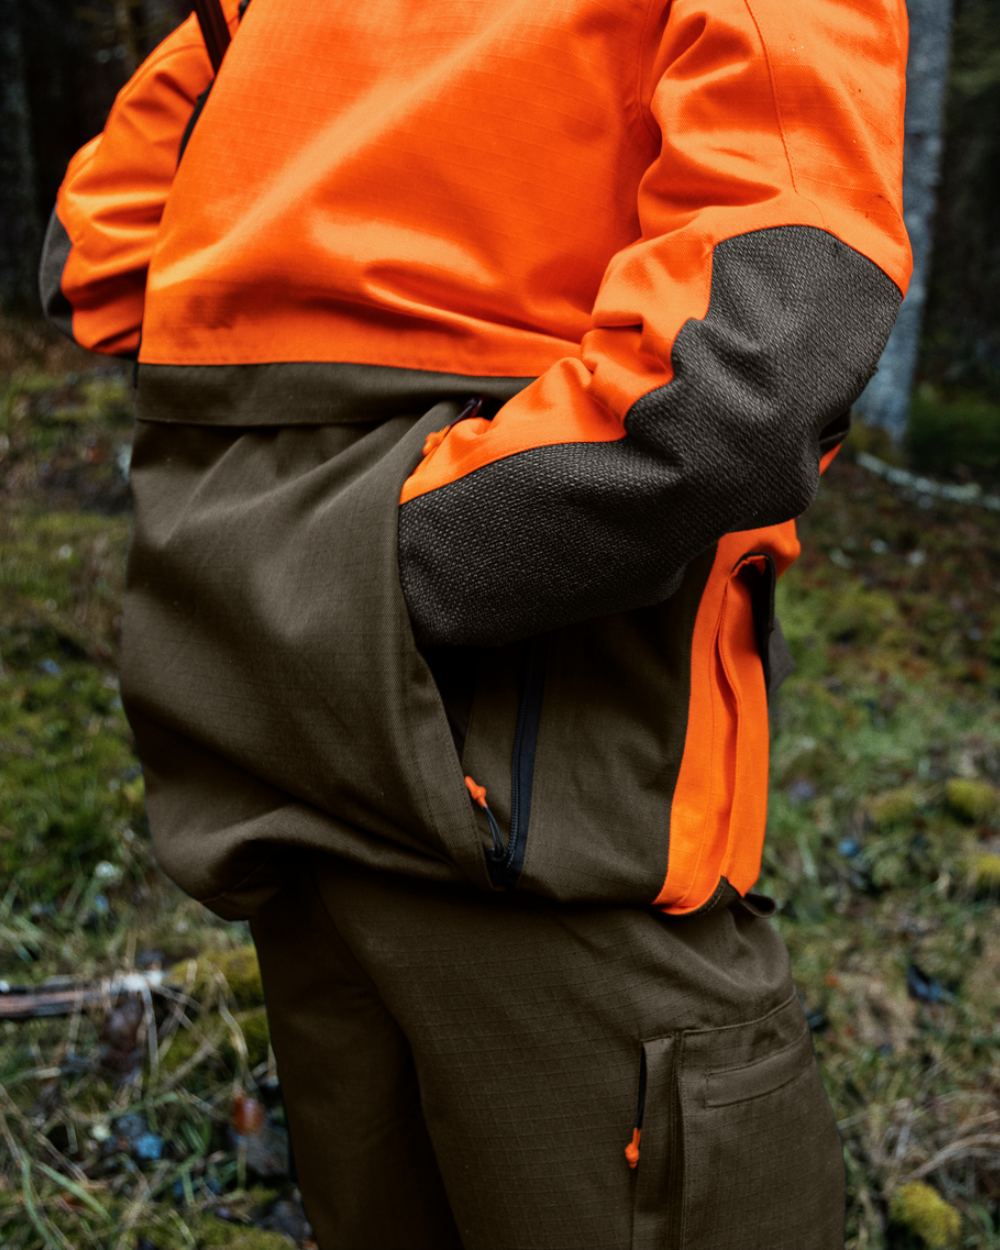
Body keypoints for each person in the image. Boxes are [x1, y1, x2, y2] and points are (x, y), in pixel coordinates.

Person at [40, 0, 911, 1245]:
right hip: (535, 791)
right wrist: (396, 579)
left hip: (267, 725)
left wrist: (310, 556)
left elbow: (99, 255)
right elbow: (748, 372)